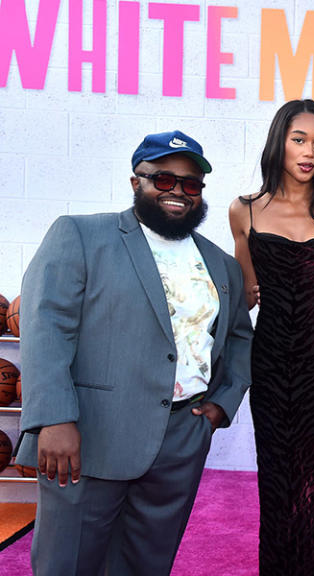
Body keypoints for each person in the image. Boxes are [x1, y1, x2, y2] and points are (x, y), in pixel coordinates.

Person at [16, 130, 253, 575]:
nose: (179, 192)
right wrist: (54, 418)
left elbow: (240, 337)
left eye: (191, 184)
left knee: (147, 564)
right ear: (135, 183)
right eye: (163, 180)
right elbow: (47, 328)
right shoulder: (81, 235)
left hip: (182, 439)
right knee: (67, 564)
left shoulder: (221, 264)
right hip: (89, 436)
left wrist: (222, 405)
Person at [228, 100, 314, 575]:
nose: (309, 152)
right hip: (271, 364)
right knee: (279, 487)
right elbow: (245, 297)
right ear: (278, 142)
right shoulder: (243, 211)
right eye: (299, 139)